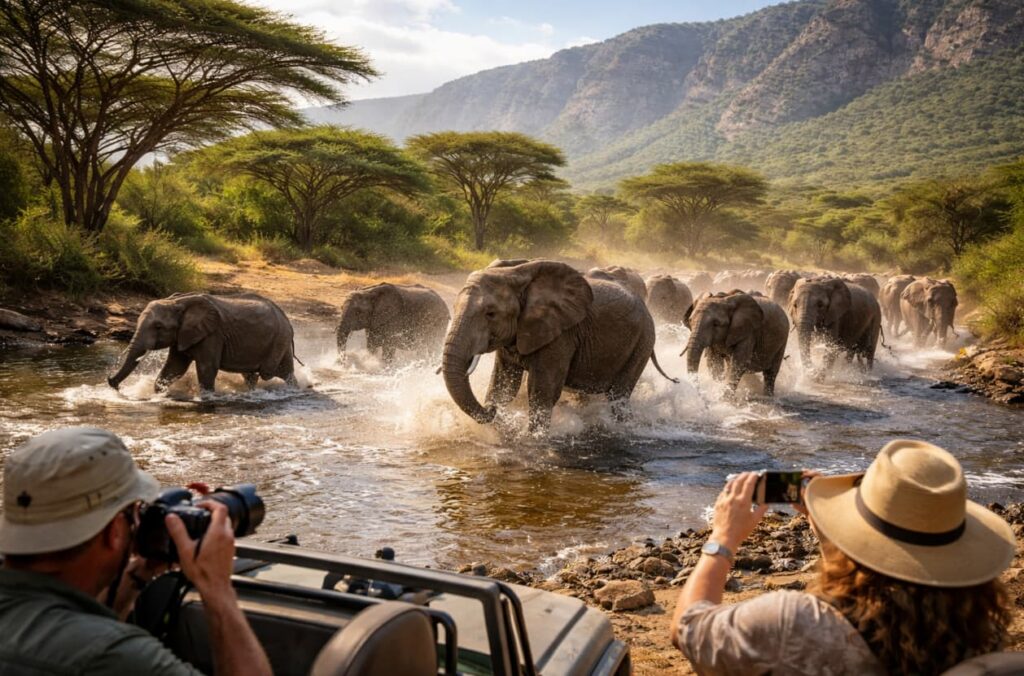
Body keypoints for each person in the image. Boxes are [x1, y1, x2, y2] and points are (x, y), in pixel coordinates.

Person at [671, 439, 1016, 675]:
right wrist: (831, 536)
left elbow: (690, 628)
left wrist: (723, 539)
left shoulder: (795, 624)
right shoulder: (981, 634)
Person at [0, 427, 272, 675]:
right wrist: (217, 588)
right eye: (134, 512)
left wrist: (140, 572)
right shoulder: (118, 655)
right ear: (115, 531)